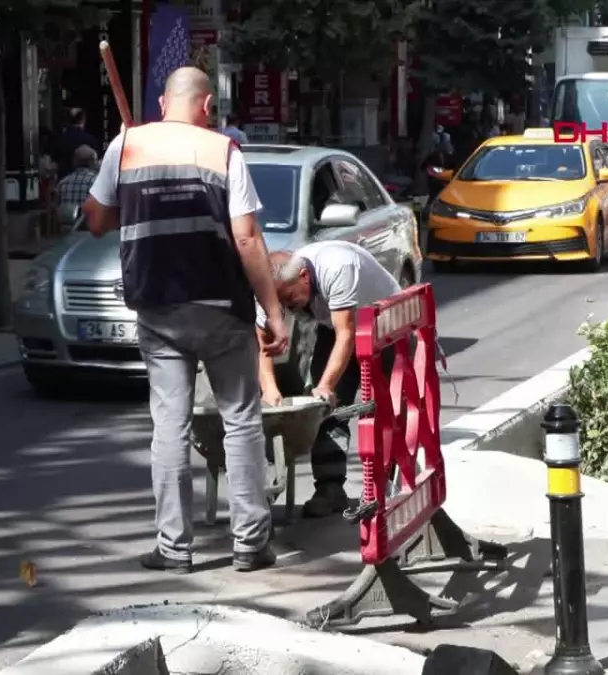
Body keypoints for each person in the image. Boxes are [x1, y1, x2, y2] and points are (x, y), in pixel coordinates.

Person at [82, 66, 290, 574]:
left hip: (157, 306)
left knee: (168, 427)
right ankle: (249, 544)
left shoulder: (125, 145)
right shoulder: (222, 150)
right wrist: (274, 309)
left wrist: (131, 195)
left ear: (162, 102)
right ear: (204, 107)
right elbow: (246, 238)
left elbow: (96, 221)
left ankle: (174, 548)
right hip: (221, 306)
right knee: (241, 422)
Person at [255, 241, 401, 517]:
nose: (287, 310)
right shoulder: (270, 287)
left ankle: (388, 490)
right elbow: (262, 342)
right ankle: (330, 489)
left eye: (289, 300)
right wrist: (270, 391)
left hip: (387, 326)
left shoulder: (338, 266)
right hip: (335, 326)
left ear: (304, 277)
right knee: (323, 408)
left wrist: (327, 384)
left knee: (387, 412)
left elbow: (346, 333)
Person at [55, 145, 99, 225]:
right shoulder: (97, 182)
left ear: (74, 162)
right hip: (90, 232)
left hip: (67, 233)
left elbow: (57, 209)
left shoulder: (62, 183)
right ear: (92, 162)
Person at [53, 108, 100, 178]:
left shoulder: (60, 139)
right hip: (87, 180)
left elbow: (54, 162)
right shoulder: (90, 140)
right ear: (83, 120)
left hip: (63, 180)